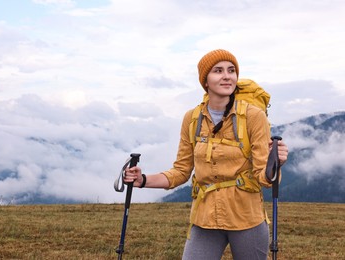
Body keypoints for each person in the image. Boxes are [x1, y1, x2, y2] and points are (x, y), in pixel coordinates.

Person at [124, 49, 289, 260]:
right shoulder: (192, 119)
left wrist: (275, 163)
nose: (226, 76)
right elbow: (181, 171)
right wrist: (142, 180)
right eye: (218, 71)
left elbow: (263, 178)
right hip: (205, 219)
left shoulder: (253, 116)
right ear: (205, 81)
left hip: (247, 218)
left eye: (231, 70)